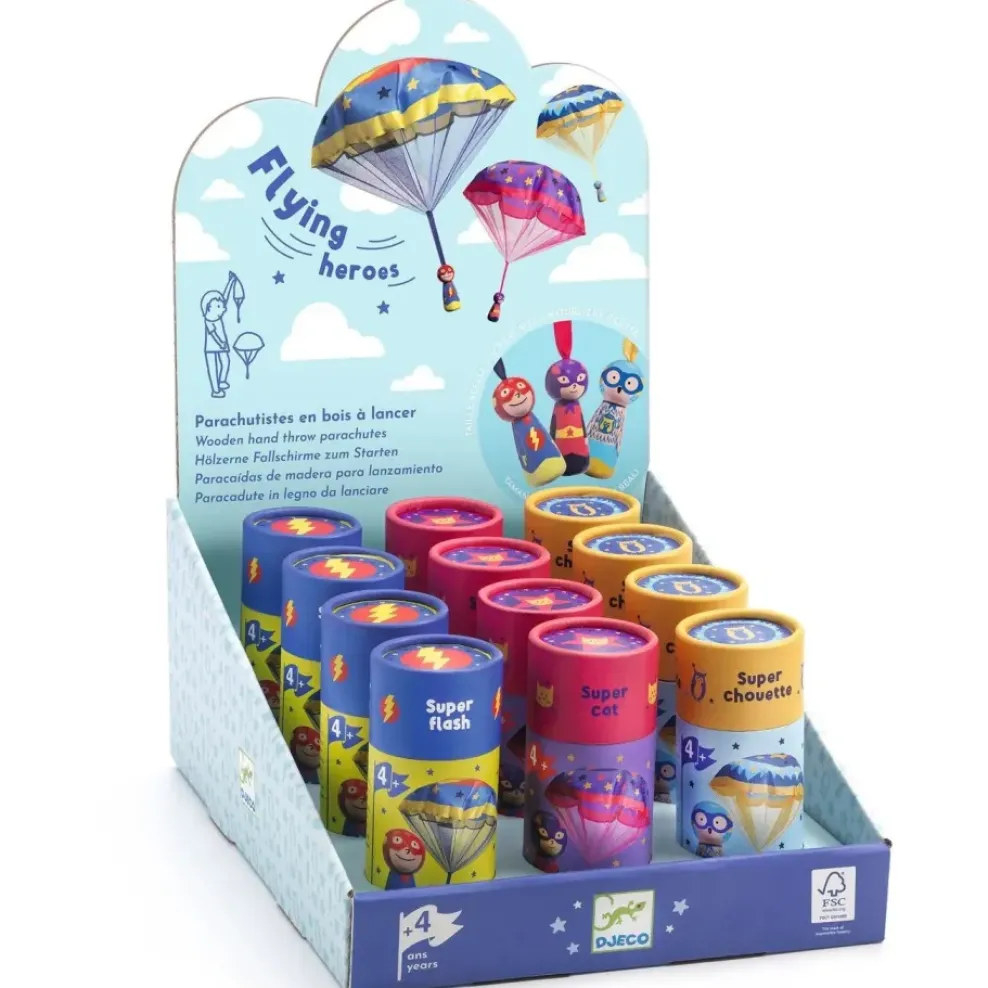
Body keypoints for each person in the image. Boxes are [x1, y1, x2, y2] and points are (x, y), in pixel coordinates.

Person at [202, 289, 231, 398]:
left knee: (226, 362)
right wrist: (221, 343)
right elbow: (213, 334)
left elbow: (225, 297)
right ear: (209, 307)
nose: (223, 309)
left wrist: (230, 283)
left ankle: (222, 380)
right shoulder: (208, 320)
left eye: (222, 306)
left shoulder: (217, 317)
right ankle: (215, 390)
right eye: (218, 306)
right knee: (213, 369)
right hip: (211, 348)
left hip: (222, 346)